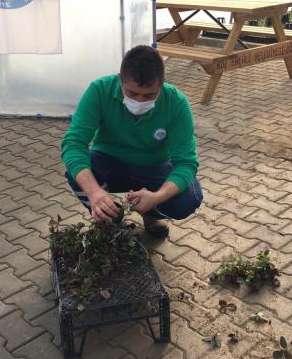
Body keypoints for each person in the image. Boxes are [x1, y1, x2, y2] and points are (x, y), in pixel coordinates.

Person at [61, 45, 203, 237]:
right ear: (121, 79)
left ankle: (150, 213)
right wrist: (94, 192)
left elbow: (186, 163)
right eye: (132, 93)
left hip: (155, 165)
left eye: (149, 95)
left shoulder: (176, 102)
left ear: (162, 84)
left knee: (188, 199)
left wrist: (157, 197)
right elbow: (74, 144)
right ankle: (110, 216)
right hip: (109, 161)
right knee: (77, 171)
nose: (140, 101)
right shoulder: (99, 90)